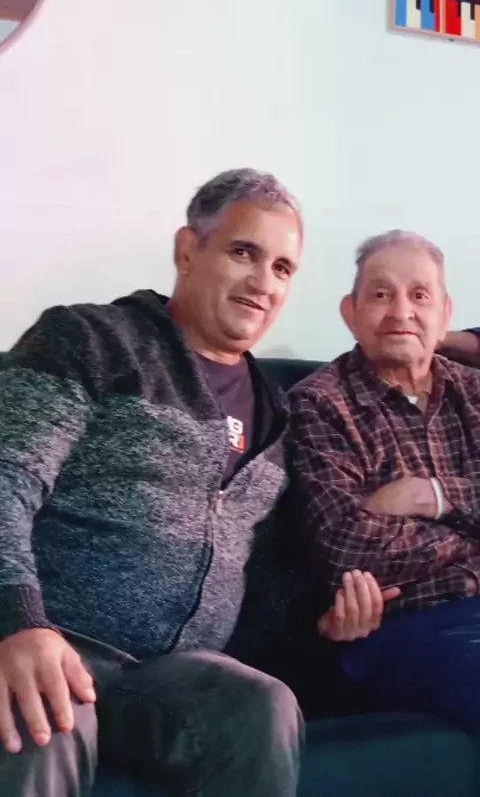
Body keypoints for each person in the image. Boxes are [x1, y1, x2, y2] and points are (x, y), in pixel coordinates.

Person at [0, 167, 312, 797]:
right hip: (56, 638)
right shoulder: (91, 340)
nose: (263, 282)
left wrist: (327, 612)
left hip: (174, 678)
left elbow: (270, 578)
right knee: (43, 718)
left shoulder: (277, 413)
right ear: (188, 250)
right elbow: (8, 477)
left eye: (282, 268)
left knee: (261, 705)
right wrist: (18, 621)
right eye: (244, 252)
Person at [287, 229, 480, 735]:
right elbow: (346, 547)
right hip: (399, 627)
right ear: (351, 312)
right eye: (380, 294)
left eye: (419, 295)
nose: (401, 312)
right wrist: (471, 537)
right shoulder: (319, 403)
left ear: (444, 312)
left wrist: (431, 496)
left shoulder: (475, 391)